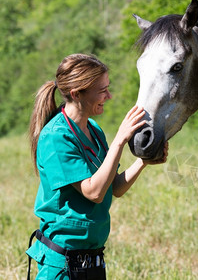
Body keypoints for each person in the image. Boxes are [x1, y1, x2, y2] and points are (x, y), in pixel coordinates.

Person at [26, 53, 168, 279]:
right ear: (76, 94)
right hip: (63, 267)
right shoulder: (55, 137)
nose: (109, 96)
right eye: (102, 90)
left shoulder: (93, 129)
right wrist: (120, 139)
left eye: (107, 88)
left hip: (91, 261)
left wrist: (143, 161)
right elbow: (94, 192)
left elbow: (114, 187)